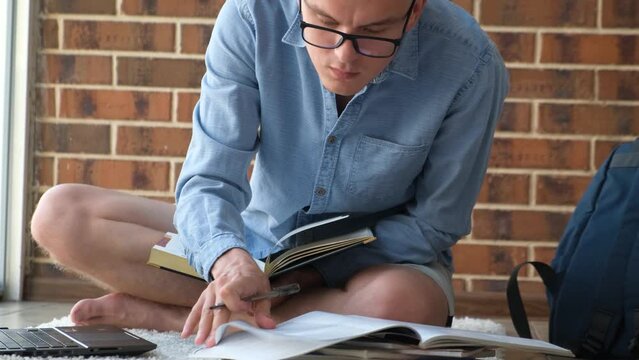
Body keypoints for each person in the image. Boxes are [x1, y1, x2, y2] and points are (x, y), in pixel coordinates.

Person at [31, 0, 508, 348]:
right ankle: (240, 303)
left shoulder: (470, 64)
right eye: (323, 24)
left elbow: (434, 224)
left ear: (415, 10)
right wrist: (230, 260)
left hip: (375, 266)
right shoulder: (250, 16)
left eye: (375, 33)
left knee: (401, 308)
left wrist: (302, 278)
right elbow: (210, 179)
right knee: (60, 214)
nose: (344, 56)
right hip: (256, 237)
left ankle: (177, 315)